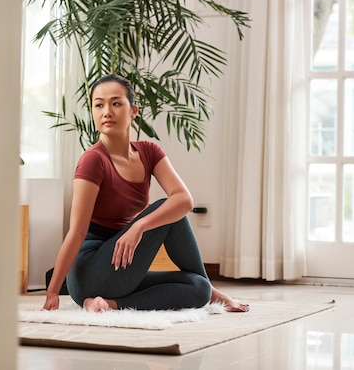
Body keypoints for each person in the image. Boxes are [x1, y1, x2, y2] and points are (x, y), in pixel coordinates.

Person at [42, 74, 249, 313]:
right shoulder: (93, 160)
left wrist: (138, 227)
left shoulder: (149, 152)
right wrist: (52, 292)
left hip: (122, 264)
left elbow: (184, 200)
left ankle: (108, 304)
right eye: (98, 105)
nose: (106, 111)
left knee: (198, 287)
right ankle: (215, 294)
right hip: (90, 272)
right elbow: (76, 232)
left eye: (116, 103)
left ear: (133, 111)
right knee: (168, 208)